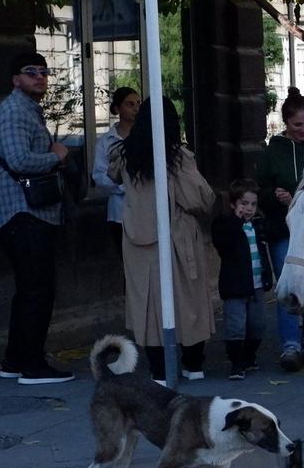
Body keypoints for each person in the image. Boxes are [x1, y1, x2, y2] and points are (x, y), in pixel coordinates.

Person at [109, 98, 215, 384]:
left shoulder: (124, 154)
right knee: (188, 301)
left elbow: (111, 176)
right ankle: (192, 364)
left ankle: (157, 368)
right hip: (177, 236)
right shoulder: (177, 157)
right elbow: (199, 199)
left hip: (137, 238)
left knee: (147, 304)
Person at [0, 52, 75, 385]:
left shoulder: (26, 110)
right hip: (22, 212)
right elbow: (19, 159)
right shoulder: (13, 112)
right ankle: (32, 366)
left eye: (43, 71)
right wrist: (55, 156)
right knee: (37, 291)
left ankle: (14, 361)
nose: (39, 76)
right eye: (30, 72)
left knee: (29, 290)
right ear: (15, 79)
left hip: (29, 213)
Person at [256, 87, 304, 371]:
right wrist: (274, 195)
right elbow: (258, 187)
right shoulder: (272, 150)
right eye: (297, 124)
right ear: (286, 123)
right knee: (287, 285)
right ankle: (291, 344)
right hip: (283, 228)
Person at [212, 179, 272, 380]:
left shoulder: (258, 225)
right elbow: (223, 245)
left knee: (258, 323)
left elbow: (264, 251)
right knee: (236, 326)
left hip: (256, 285)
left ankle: (249, 356)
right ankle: (236, 363)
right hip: (235, 286)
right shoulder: (224, 224)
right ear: (233, 204)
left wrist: (267, 276)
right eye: (244, 204)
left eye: (253, 204)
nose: (248, 209)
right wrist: (236, 222)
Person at [92, 87, 141, 257]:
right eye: (130, 104)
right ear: (117, 108)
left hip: (145, 210)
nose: (136, 108)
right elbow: (98, 176)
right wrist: (123, 185)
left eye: (138, 103)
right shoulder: (106, 141)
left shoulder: (146, 137)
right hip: (119, 212)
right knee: (126, 262)